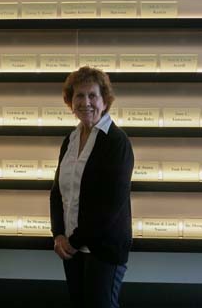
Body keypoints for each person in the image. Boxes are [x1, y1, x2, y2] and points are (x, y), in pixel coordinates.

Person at [50, 66, 134, 308]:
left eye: (92, 96)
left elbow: (109, 206)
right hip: (71, 248)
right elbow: (58, 192)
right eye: (79, 95)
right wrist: (58, 235)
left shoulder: (117, 142)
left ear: (105, 101)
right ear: (70, 101)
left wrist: (73, 241)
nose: (85, 102)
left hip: (103, 250)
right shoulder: (71, 139)